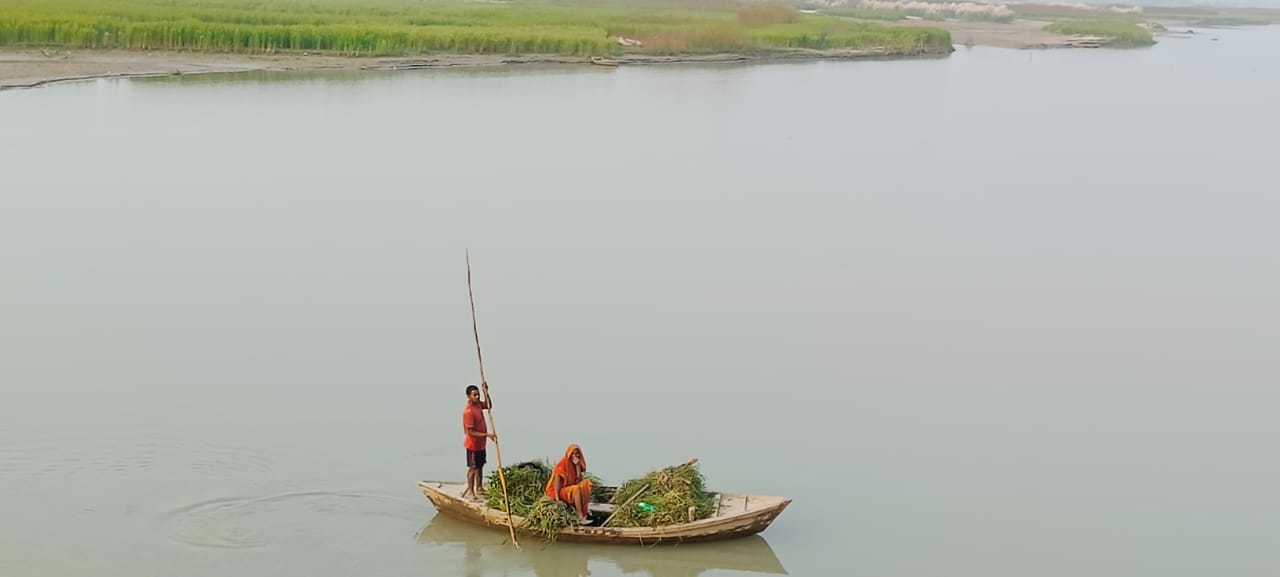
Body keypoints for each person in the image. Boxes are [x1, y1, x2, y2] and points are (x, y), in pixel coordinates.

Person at [462, 383, 495, 502]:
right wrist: (487, 435)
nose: (477, 397)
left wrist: (486, 392)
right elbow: (470, 432)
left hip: (481, 444)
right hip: (473, 445)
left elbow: (489, 405)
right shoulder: (469, 411)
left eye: (478, 394)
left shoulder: (478, 406)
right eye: (474, 395)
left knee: (480, 466)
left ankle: (479, 487)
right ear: (468, 396)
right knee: (473, 468)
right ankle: (471, 492)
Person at [545, 444, 593, 525]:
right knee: (576, 489)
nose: (575, 455)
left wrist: (577, 466)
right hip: (557, 491)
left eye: (577, 453)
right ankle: (580, 518)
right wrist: (557, 500)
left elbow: (579, 480)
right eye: (572, 453)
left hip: (568, 488)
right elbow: (556, 483)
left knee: (586, 484)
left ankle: (584, 511)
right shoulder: (563, 463)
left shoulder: (575, 463)